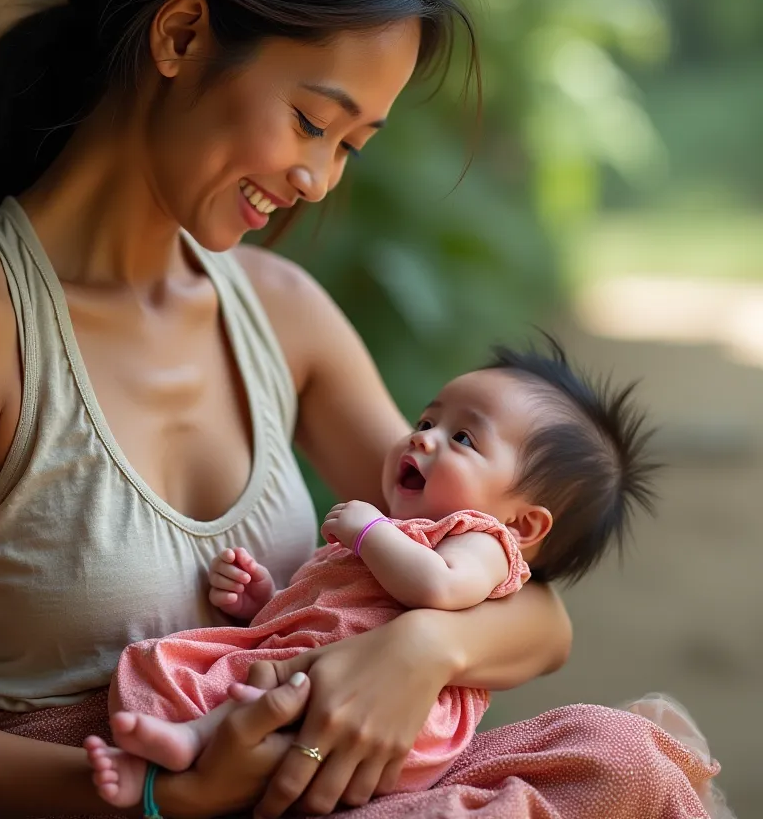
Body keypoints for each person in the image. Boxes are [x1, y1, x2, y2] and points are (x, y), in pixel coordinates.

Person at [0, 0, 718, 819]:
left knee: (619, 755)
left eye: (350, 147)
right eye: (309, 120)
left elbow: (529, 606)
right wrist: (171, 792)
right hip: (116, 794)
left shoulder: (279, 312)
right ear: (181, 36)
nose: (318, 178)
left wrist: (423, 646)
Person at [83, 342, 661, 807]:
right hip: (320, 673)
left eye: (462, 438)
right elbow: (329, 605)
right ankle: (170, 767)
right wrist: (262, 601)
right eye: (427, 419)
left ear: (525, 523)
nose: (422, 436)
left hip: (386, 709)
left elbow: (438, 587)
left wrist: (367, 532)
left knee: (269, 702)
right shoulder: (403, 530)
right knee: (194, 671)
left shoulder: (482, 540)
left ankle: (185, 746)